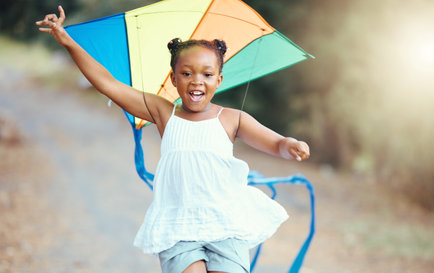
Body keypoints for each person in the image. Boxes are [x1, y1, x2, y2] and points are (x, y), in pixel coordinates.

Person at [36, 6, 310, 273]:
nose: (196, 81)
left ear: (219, 79)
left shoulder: (232, 118)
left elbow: (275, 143)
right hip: (179, 225)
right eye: (186, 73)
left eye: (207, 74)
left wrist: (291, 145)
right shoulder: (163, 111)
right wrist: (67, 40)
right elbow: (108, 83)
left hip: (227, 224)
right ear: (173, 79)